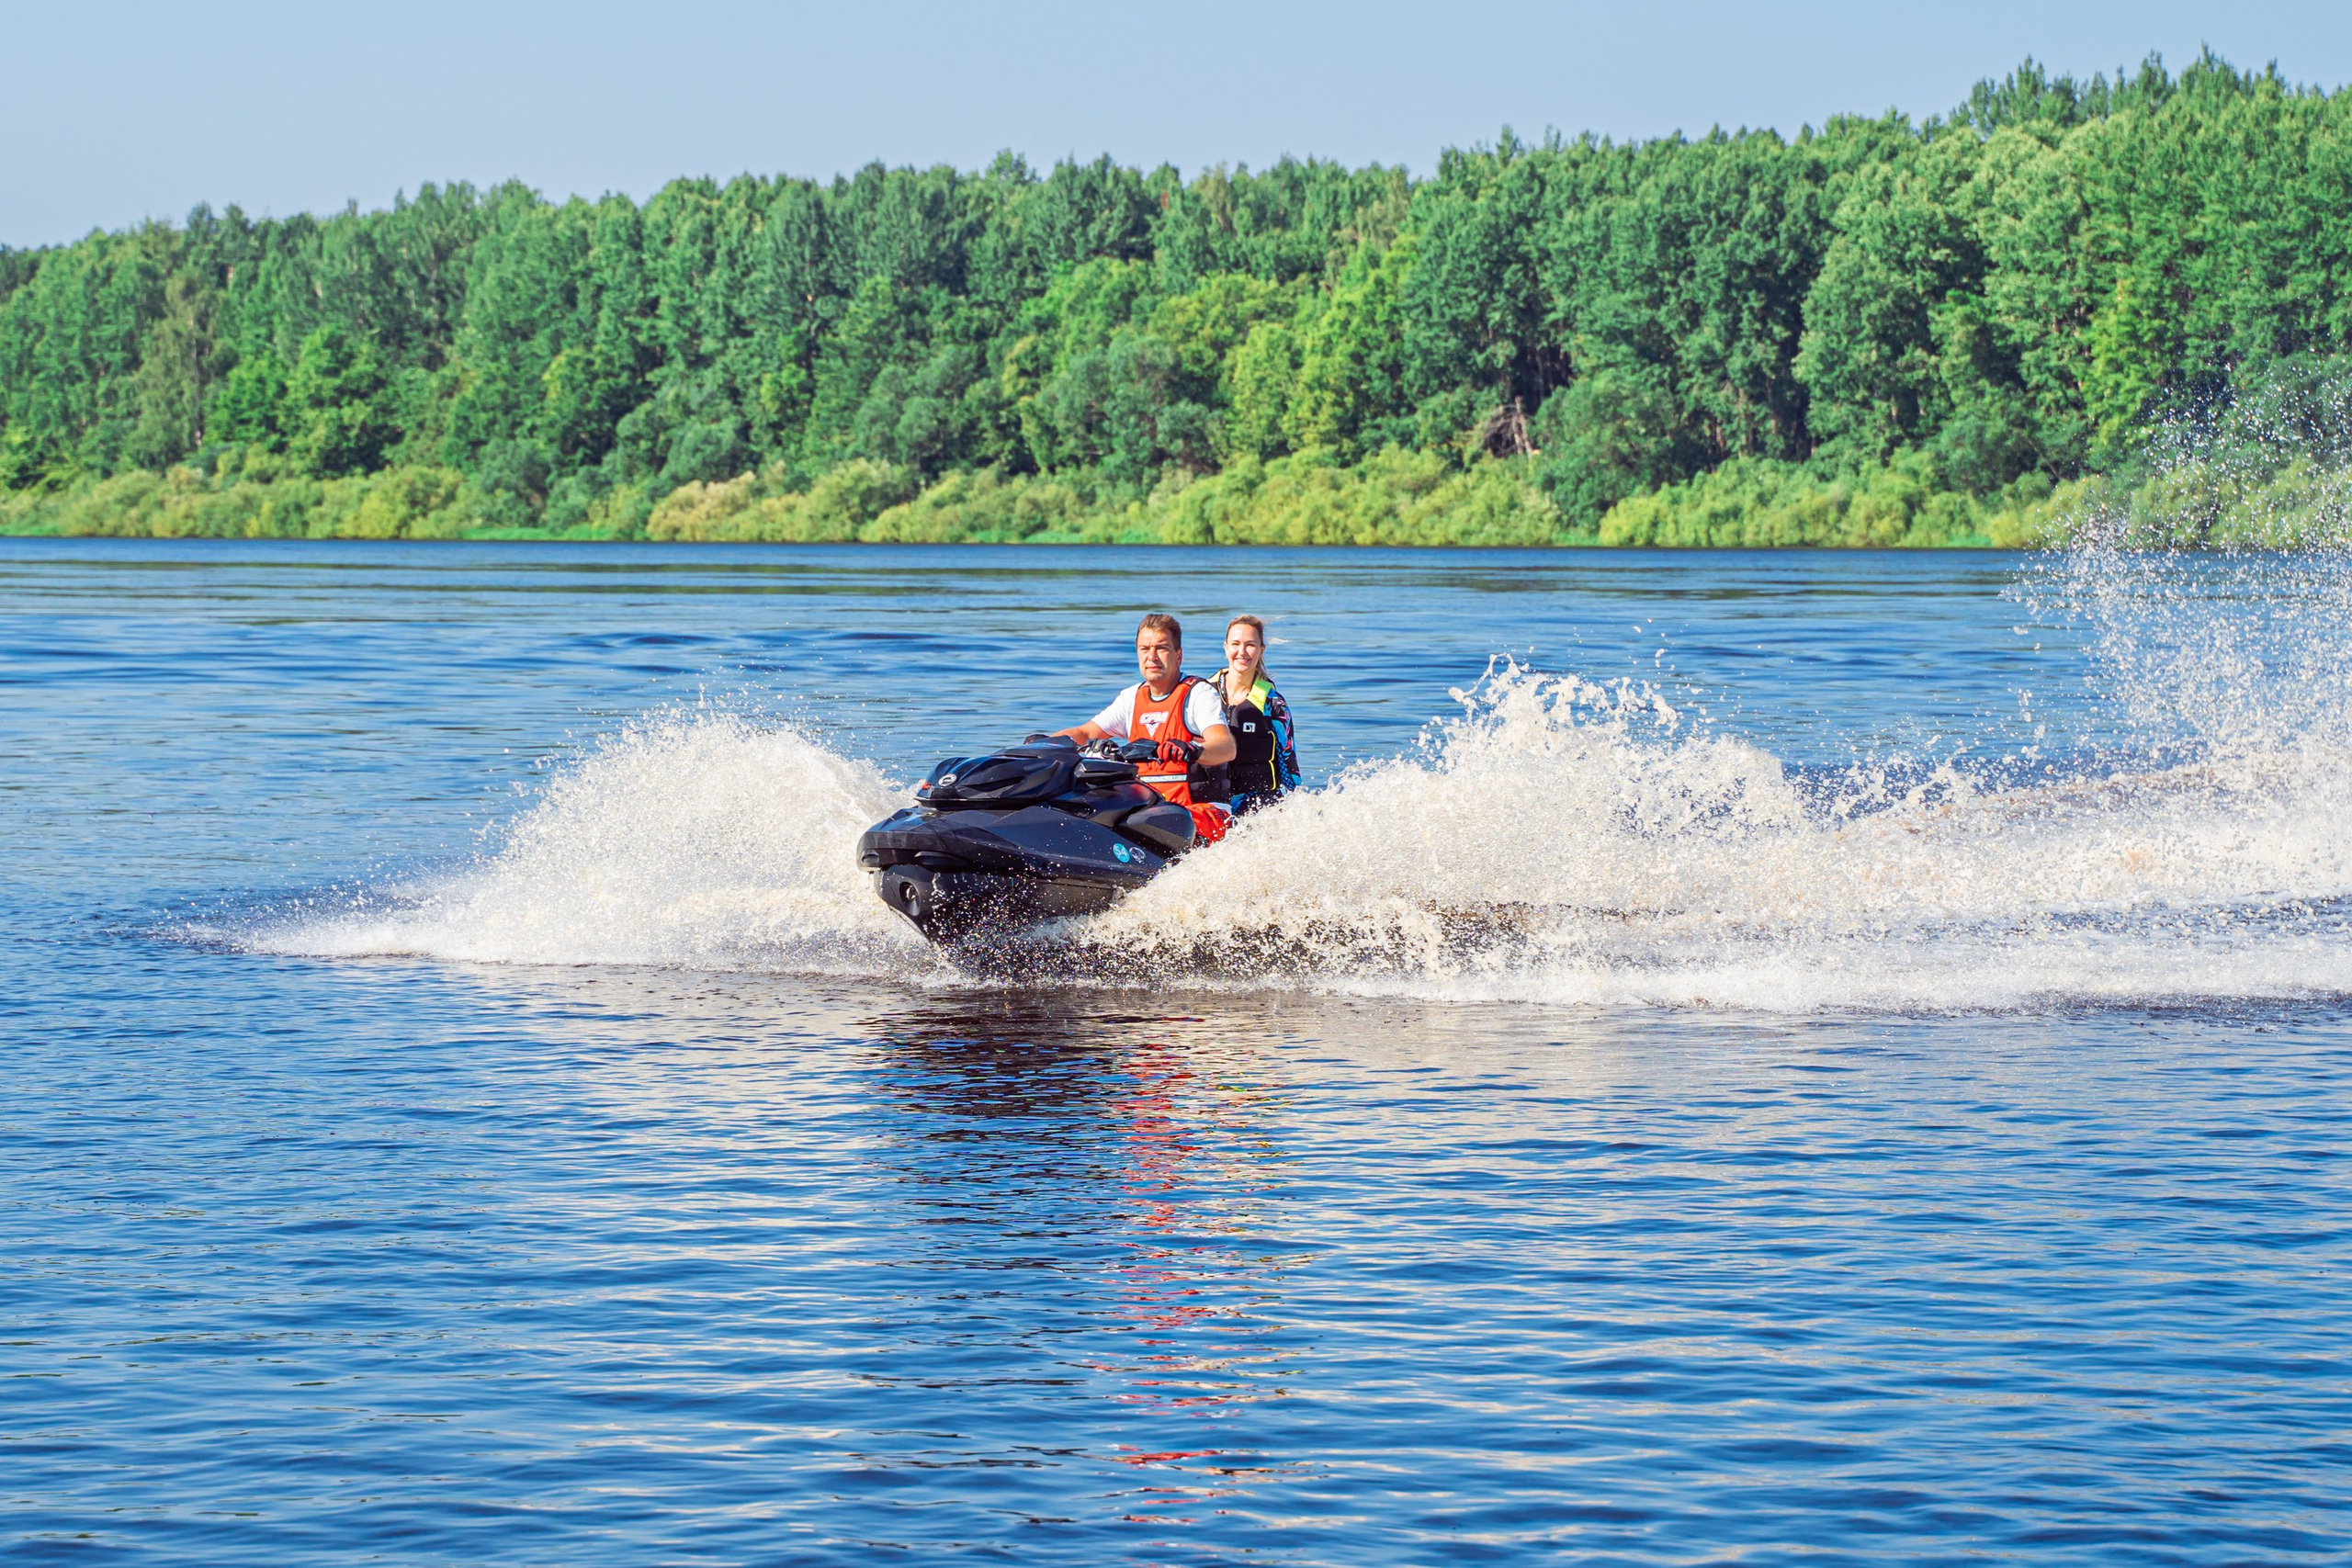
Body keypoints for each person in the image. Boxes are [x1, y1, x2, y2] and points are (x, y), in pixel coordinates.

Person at [1052, 613, 1237, 840]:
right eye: (1144, 649)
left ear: (1178, 656)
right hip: (1149, 812)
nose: (1152, 657)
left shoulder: (1198, 693)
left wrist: (1190, 750)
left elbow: (1226, 747)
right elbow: (1085, 732)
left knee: (1151, 824)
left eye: (1161, 648)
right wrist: (1046, 744)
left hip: (1202, 813)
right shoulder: (1131, 698)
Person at [1216, 615, 1299, 815]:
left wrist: (1298, 810)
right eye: (1235, 644)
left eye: (1250, 645)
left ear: (1261, 650)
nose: (1242, 652)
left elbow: (1290, 767)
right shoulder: (1202, 694)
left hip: (1259, 805)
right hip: (1214, 801)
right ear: (1225, 647)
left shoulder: (1274, 704)